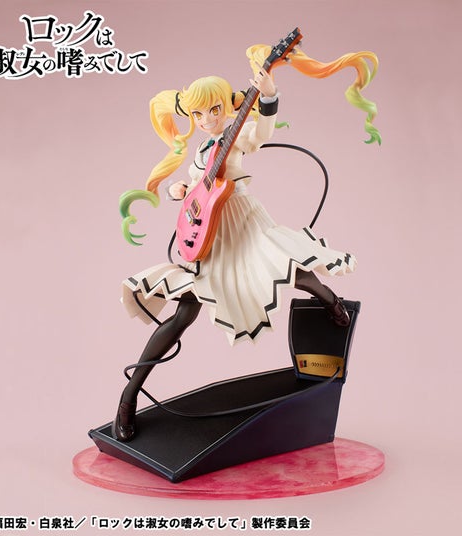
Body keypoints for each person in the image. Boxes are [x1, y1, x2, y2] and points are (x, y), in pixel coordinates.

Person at [113, 43, 380, 441]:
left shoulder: (235, 135)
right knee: (184, 313)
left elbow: (261, 132)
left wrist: (268, 94)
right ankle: (129, 396)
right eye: (198, 114)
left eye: (214, 110)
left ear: (227, 106)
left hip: (243, 221)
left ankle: (331, 302)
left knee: (287, 268)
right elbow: (195, 188)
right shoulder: (202, 149)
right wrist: (178, 190)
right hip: (211, 236)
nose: (207, 120)